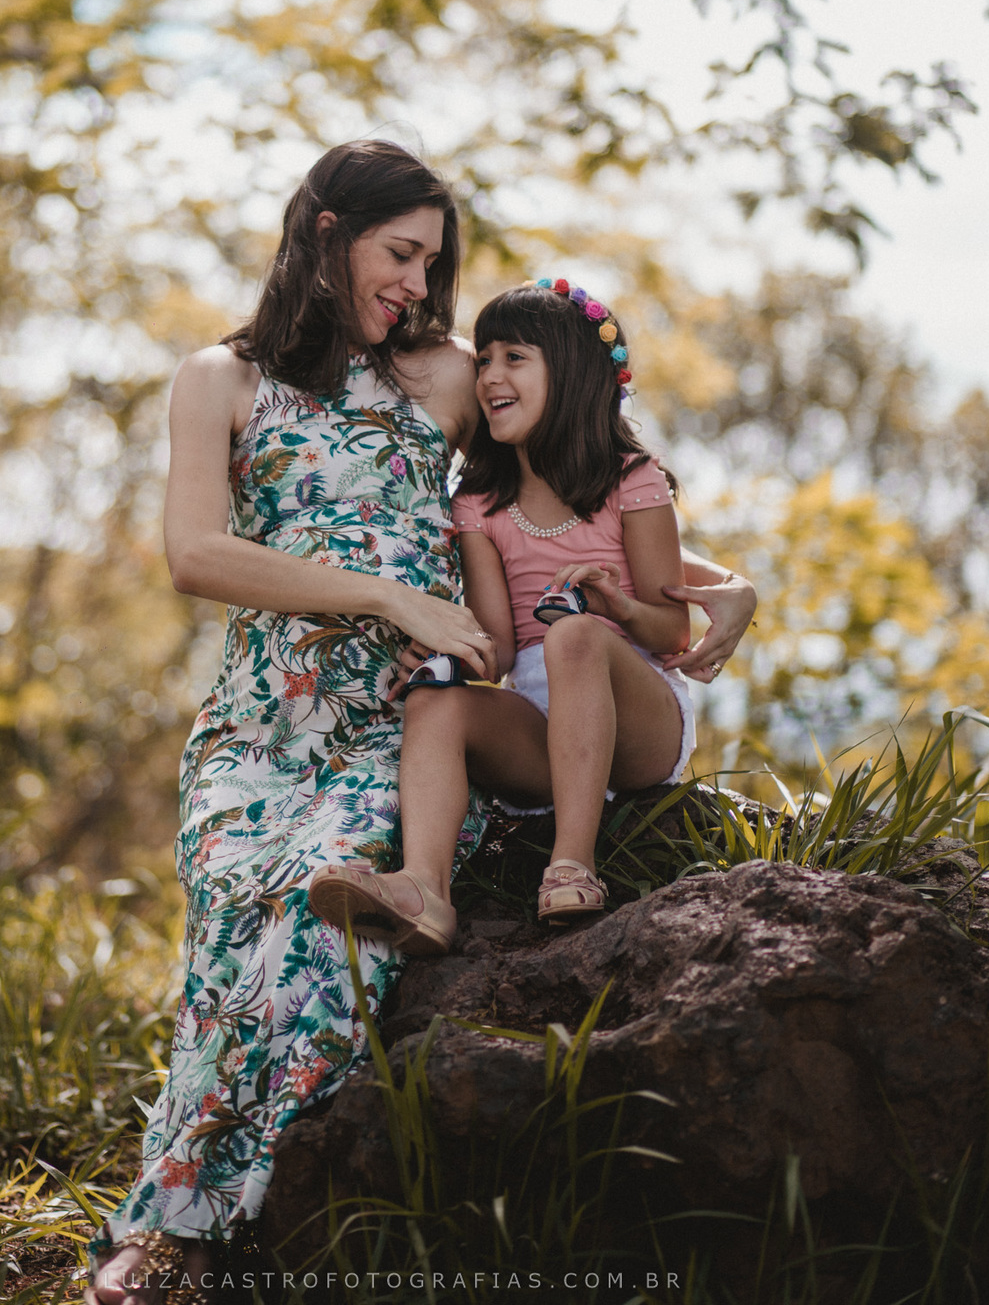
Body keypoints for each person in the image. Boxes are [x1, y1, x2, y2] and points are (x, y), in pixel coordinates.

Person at [87, 172, 755, 1301]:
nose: (418, 283)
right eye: (401, 254)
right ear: (329, 232)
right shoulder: (219, 379)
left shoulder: (443, 375)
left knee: (314, 928)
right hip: (259, 727)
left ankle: (201, 1230)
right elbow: (195, 555)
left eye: (433, 263)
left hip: (402, 724)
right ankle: (170, 1221)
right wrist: (391, 595)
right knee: (232, 917)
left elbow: (566, 489)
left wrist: (722, 582)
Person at [308, 276, 748, 948]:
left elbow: (670, 631)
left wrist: (616, 606)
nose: (489, 375)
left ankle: (572, 863)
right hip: (544, 737)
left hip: (639, 724)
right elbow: (503, 649)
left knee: (573, 636)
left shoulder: (632, 479)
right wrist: (448, 650)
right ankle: (424, 889)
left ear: (570, 371)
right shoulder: (479, 503)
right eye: (484, 358)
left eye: (514, 357)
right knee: (435, 701)